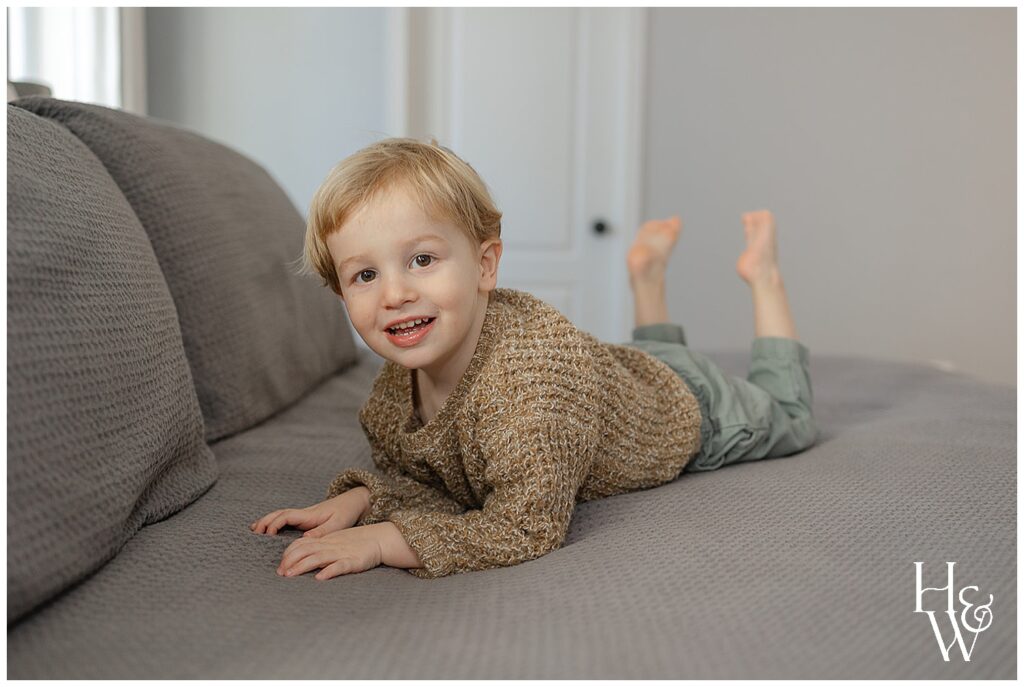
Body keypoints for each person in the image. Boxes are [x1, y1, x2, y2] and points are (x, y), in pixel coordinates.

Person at [250, 138, 817, 581]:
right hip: (620, 375)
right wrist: (364, 498)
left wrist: (384, 540)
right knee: (655, 358)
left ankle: (765, 279)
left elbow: (525, 526)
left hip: (696, 409)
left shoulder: (529, 391)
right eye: (365, 275)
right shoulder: (396, 390)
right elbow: (438, 480)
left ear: (486, 266)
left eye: (422, 259)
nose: (394, 293)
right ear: (340, 292)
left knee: (790, 415)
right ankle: (646, 280)